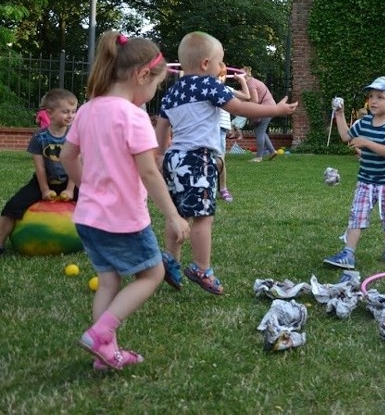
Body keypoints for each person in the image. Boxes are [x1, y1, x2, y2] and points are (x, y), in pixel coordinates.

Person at [59, 31, 191, 371]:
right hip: (122, 219)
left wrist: (86, 183)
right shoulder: (133, 117)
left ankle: (107, 353)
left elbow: (66, 155)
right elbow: (149, 173)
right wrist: (173, 215)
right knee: (152, 274)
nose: (152, 94)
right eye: (155, 86)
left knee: (108, 280)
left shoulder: (88, 110)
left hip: (88, 217)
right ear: (141, 76)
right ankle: (102, 333)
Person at [156, 32, 298, 294]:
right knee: (202, 217)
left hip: (174, 159)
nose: (222, 67)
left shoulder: (172, 92)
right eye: (219, 62)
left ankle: (171, 261)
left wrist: (159, 157)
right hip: (199, 159)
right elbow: (241, 109)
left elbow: (162, 131)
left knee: (177, 214)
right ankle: (201, 268)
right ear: (205, 64)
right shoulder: (210, 86)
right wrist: (275, 111)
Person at [323, 76, 385, 269]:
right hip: (366, 181)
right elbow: (345, 136)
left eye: (379, 97)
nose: (373, 101)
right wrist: (340, 114)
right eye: (371, 96)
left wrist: (366, 143)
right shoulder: (363, 123)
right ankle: (348, 254)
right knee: (357, 216)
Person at [0, 89, 79, 255]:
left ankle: (103, 244)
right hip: (43, 181)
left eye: (73, 111)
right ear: (49, 114)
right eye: (65, 111)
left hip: (72, 180)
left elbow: (77, 163)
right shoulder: (39, 137)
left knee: (98, 205)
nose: (70, 115)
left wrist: (71, 189)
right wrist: (44, 189)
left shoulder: (75, 135)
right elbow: (40, 166)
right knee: (11, 207)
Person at [216, 62, 250, 203]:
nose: (220, 78)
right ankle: (208, 187)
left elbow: (247, 96)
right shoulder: (204, 88)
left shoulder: (227, 89)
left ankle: (223, 188)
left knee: (221, 159)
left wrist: (242, 80)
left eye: (223, 76)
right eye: (218, 75)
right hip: (209, 127)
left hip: (221, 128)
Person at [242, 66, 277, 162]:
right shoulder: (253, 82)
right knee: (262, 131)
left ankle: (258, 157)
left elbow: (255, 101)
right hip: (270, 108)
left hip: (266, 109)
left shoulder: (250, 84)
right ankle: (272, 151)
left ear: (244, 75)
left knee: (259, 132)